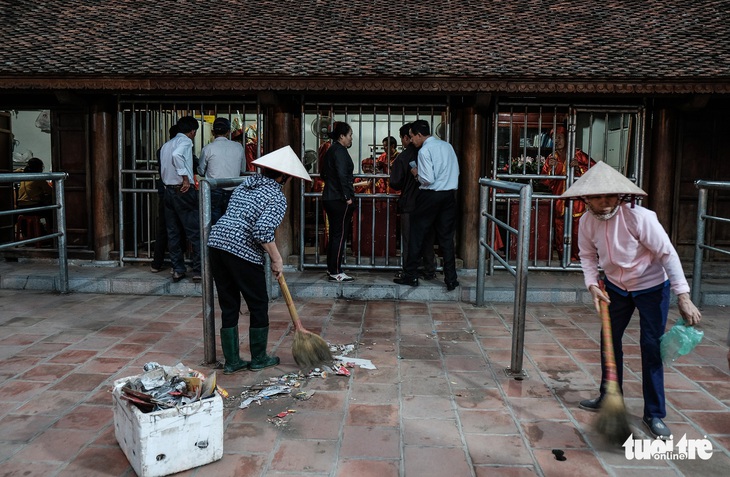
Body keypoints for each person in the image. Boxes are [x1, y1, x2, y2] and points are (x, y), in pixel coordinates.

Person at [563, 161, 702, 440]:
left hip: (651, 286)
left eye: (610, 196)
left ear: (621, 196)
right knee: (609, 341)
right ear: (586, 199)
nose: (604, 202)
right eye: (597, 196)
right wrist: (592, 285)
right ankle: (609, 395)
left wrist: (683, 296)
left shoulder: (640, 217)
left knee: (651, 347)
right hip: (615, 287)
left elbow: (667, 254)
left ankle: (654, 413)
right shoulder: (586, 222)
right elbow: (588, 257)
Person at [207, 145, 311, 373]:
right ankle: (259, 358)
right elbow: (262, 231)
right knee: (258, 303)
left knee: (229, 303)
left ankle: (232, 361)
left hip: (217, 242)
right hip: (241, 249)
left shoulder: (247, 184)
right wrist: (277, 258)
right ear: (283, 176)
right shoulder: (276, 196)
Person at [394, 119, 459, 290]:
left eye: (412, 137)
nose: (411, 141)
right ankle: (451, 279)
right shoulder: (447, 146)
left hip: (430, 196)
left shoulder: (424, 151)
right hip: (449, 196)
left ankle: (410, 275)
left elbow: (428, 179)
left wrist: (417, 174)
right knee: (446, 239)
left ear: (419, 135)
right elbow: (456, 171)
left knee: (416, 235)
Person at [541, 125, 594, 262]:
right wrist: (550, 169)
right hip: (560, 203)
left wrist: (579, 167)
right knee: (560, 235)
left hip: (578, 203)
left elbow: (595, 172)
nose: (556, 141)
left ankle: (578, 262)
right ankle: (564, 262)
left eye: (559, 137)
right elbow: (545, 182)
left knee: (578, 235)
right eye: (554, 138)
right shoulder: (551, 158)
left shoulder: (578, 155)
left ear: (567, 139)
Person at [389, 123, 436, 280]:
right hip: (427, 202)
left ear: (406, 137)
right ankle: (430, 270)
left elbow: (394, 182)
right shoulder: (429, 152)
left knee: (409, 240)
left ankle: (410, 272)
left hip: (409, 203)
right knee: (427, 238)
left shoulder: (403, 157)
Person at [159, 116, 201, 283]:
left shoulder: (166, 145)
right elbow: (177, 156)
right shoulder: (185, 142)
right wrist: (185, 178)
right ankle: (198, 270)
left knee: (173, 232)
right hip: (183, 191)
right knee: (195, 231)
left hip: (168, 190)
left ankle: (178, 269)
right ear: (192, 131)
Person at [321, 122, 356, 282]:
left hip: (329, 196)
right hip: (339, 199)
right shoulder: (340, 151)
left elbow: (323, 174)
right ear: (342, 136)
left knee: (336, 234)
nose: (351, 139)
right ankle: (336, 270)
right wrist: (347, 196)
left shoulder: (330, 150)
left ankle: (331, 268)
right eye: (350, 135)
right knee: (339, 235)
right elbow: (342, 175)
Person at [198, 117, 246, 225]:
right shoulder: (238, 147)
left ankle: (213, 241)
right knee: (232, 223)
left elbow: (201, 171)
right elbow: (242, 169)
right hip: (234, 190)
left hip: (214, 190)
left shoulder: (208, 148)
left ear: (212, 131)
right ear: (229, 131)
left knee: (213, 223)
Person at [151, 125, 178, 273]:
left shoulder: (162, 149)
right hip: (178, 191)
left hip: (164, 191)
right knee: (180, 229)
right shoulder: (181, 148)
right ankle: (182, 264)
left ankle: (157, 262)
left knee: (164, 228)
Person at [16, 157, 53, 237]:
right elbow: (50, 191)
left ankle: (31, 234)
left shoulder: (24, 175)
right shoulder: (38, 178)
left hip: (21, 207)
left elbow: (15, 171)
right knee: (52, 211)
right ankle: (51, 233)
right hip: (32, 207)